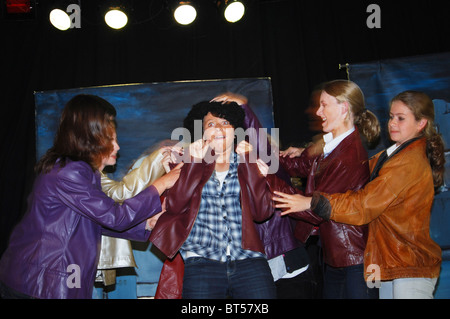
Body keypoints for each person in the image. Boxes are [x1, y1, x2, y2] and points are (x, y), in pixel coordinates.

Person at [0, 94, 182, 299]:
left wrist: (146, 225)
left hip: (41, 280)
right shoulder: (70, 172)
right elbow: (115, 216)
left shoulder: (76, 170)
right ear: (90, 136)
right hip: (43, 284)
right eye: (110, 139)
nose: (118, 147)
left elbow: (96, 221)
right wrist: (163, 183)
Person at [274, 90, 444, 299]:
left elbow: (363, 205)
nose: (392, 123)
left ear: (421, 124)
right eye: (391, 117)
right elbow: (355, 168)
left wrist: (312, 202)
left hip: (409, 266)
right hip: (392, 263)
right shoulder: (394, 155)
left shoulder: (407, 163)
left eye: (401, 118)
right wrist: (308, 152)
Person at [260, 80, 381, 298]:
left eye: (324, 105)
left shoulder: (348, 156)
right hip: (337, 257)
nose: (318, 111)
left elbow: (314, 209)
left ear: (343, 108)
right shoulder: (332, 146)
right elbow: (297, 165)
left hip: (355, 260)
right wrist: (261, 149)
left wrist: (265, 175)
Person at [150, 100, 277, 299]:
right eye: (211, 124)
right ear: (201, 132)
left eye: (225, 123)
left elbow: (263, 213)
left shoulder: (249, 161)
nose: (218, 128)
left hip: (249, 260)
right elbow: (175, 206)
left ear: (235, 130)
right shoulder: (188, 162)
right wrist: (194, 164)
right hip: (201, 261)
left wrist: (250, 164)